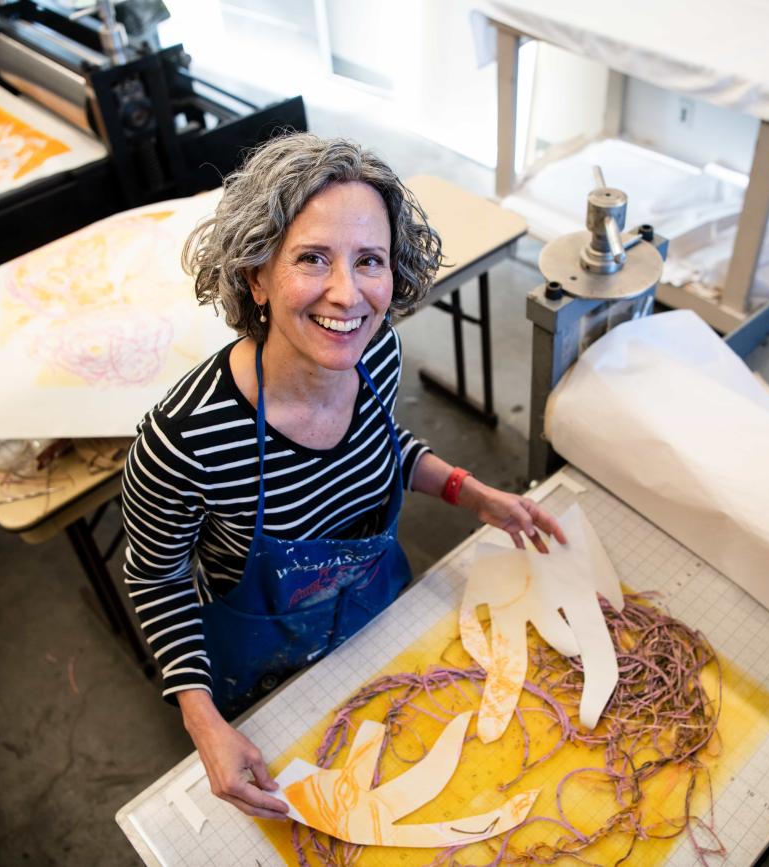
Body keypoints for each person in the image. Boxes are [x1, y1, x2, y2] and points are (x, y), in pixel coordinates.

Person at [121, 133, 566, 820]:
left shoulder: (374, 353)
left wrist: (470, 492)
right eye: (312, 259)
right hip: (264, 672)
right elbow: (156, 577)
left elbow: (382, 447)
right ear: (256, 276)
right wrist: (202, 720)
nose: (347, 293)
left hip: (375, 608)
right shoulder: (184, 439)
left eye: (370, 261)